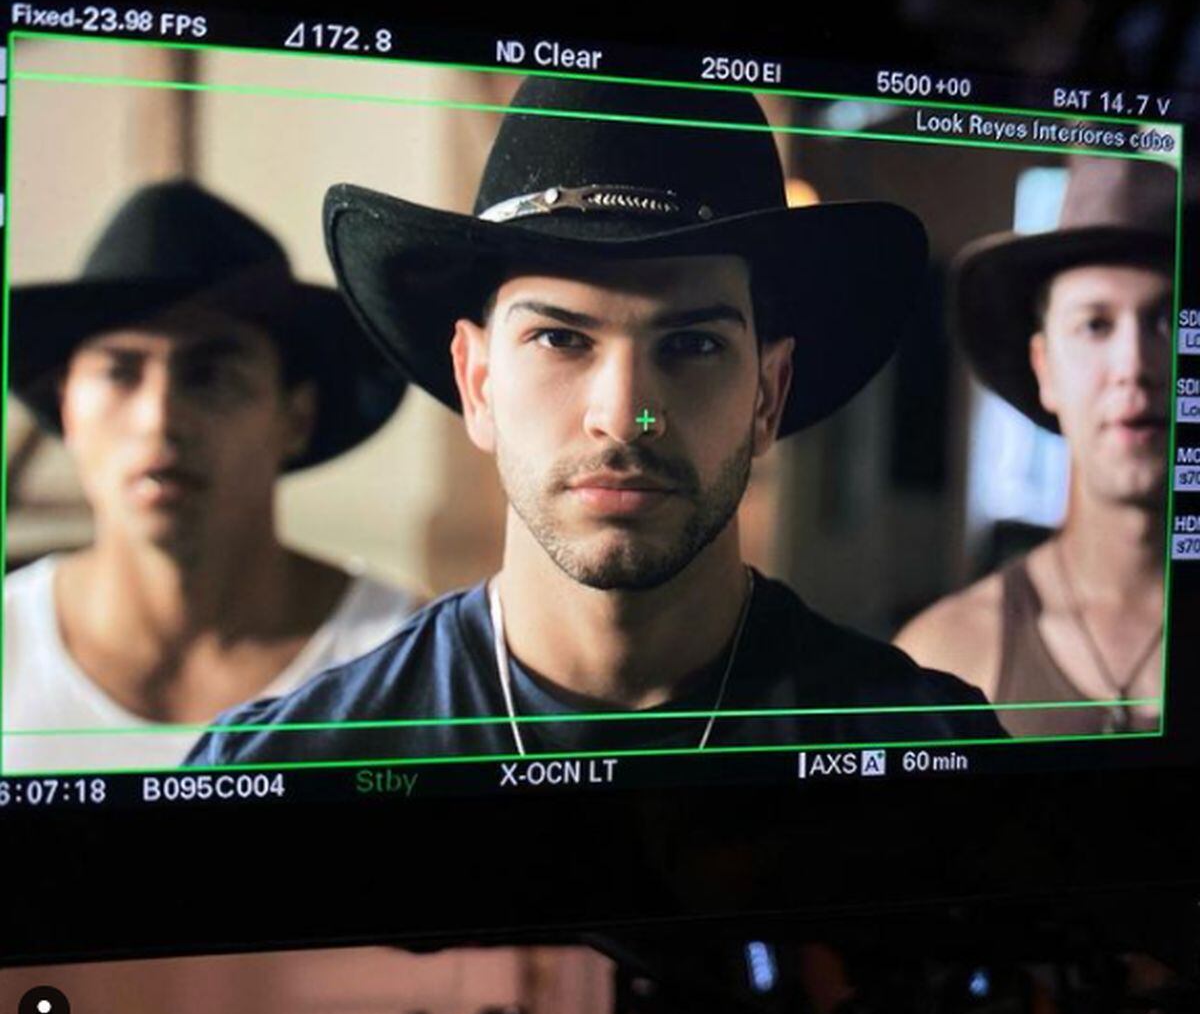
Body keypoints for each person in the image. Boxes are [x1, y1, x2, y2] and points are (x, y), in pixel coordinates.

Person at [187, 78, 1004, 766]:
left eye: (690, 343)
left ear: (767, 394)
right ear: (476, 382)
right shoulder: (296, 767)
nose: (624, 417)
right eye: (560, 338)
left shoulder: (922, 751)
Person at [4, 181, 419, 771]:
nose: (160, 419)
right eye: (121, 372)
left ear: (295, 418)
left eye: (210, 374)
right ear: (66, 406)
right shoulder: (10, 646)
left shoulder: (406, 663)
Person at [895, 156, 1176, 736]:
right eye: (1095, 325)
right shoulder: (946, 656)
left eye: (1167, 319)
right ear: (1044, 368)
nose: (1135, 367)